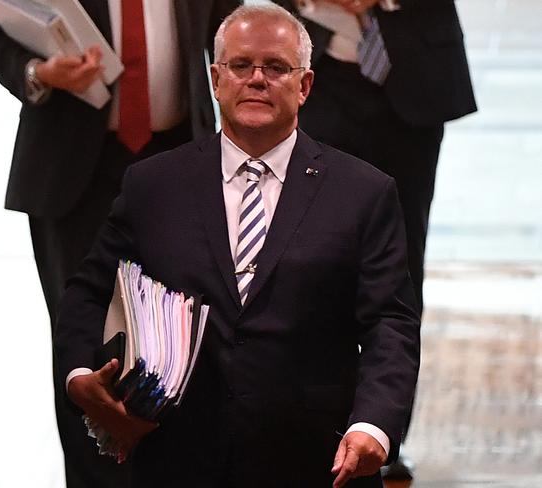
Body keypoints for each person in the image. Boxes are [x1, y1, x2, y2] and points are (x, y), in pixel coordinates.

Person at [55, 4, 420, 487]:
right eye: (241, 66)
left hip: (315, 460)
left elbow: (389, 324)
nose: (257, 80)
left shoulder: (364, 192)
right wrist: (80, 372)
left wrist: (372, 424)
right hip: (177, 456)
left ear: (305, 85)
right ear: (215, 78)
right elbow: (89, 290)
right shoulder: (153, 185)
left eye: (276, 67)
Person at [0, 1, 239, 487]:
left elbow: (233, 34)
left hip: (178, 164)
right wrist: (42, 74)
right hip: (76, 178)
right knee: (84, 346)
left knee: (181, 340)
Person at [272, 0, 477, 479]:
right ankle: (316, 427)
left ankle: (382, 433)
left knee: (400, 264)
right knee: (311, 259)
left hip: (411, 78)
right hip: (314, 70)